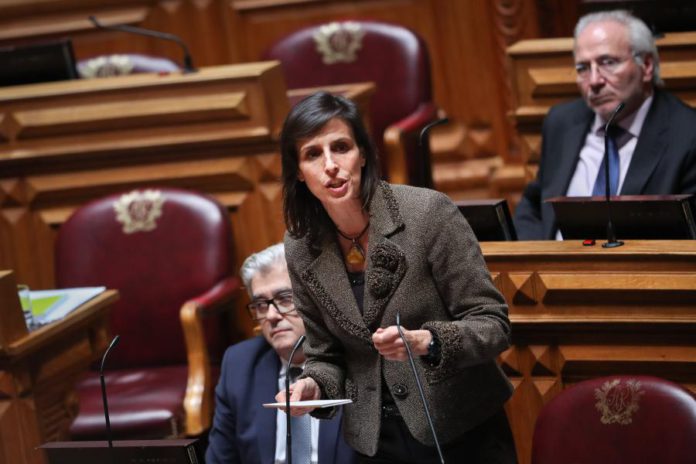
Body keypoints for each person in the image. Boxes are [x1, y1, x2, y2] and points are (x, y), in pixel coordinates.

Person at [276, 92, 517, 463]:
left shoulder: (427, 213)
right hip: (375, 444)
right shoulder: (300, 246)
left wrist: (427, 341)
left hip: (460, 430)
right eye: (312, 154)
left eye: (341, 147)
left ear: (363, 154)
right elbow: (325, 355)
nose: (331, 166)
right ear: (298, 171)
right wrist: (312, 385)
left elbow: (492, 324)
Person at [514, 10, 696, 240]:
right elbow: (533, 205)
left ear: (647, 65)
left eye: (608, 62)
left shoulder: (688, 134)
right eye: (583, 68)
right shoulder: (561, 122)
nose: (594, 81)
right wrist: (538, 256)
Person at [206, 243, 356, 464]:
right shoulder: (239, 365)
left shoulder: (357, 360)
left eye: (285, 298)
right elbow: (220, 459)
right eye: (261, 304)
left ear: (314, 298)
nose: (271, 315)